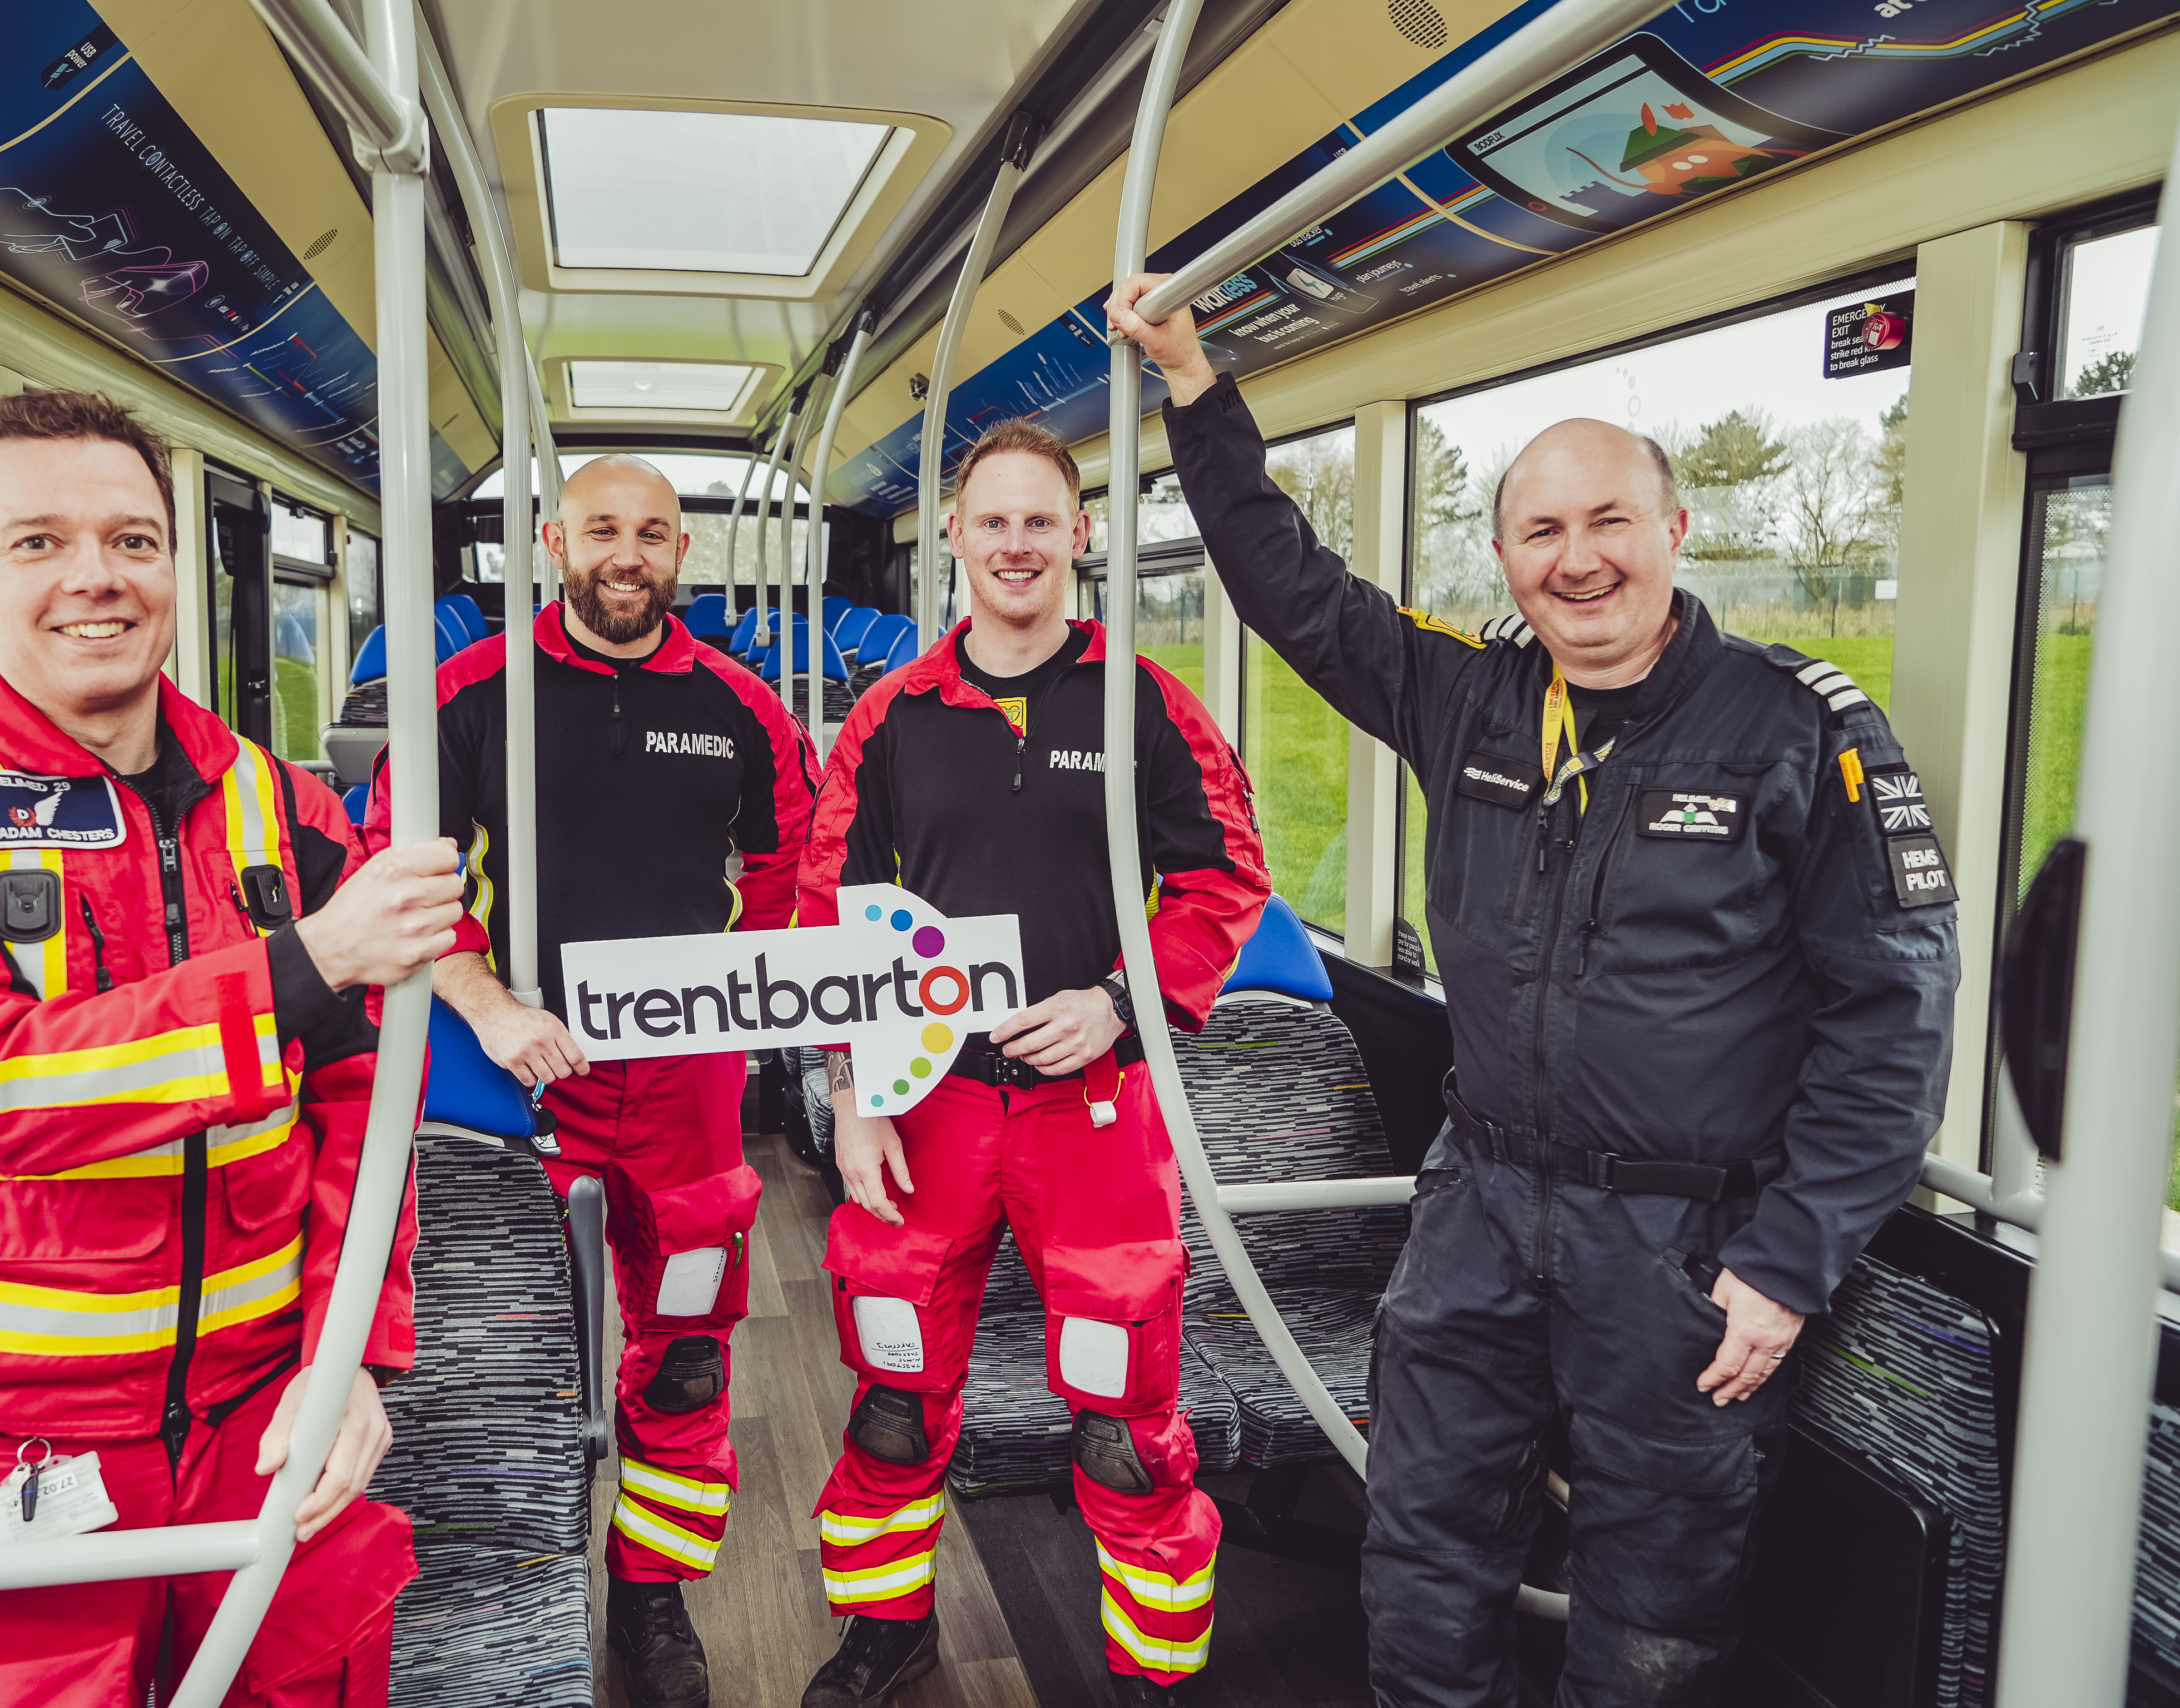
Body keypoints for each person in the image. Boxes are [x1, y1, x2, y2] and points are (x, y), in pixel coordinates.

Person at [1107, 275, 1962, 1706]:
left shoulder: (1797, 730)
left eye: (1610, 521)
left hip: (1690, 1245)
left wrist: (1791, 1258)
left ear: (1676, 533)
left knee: (1655, 1608)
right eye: (1542, 530)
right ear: (1504, 555)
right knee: (1423, 1547)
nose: (1580, 560)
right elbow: (1288, 587)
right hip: (1481, 1206)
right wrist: (1198, 387)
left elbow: (1896, 1014)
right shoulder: (1471, 698)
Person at [0, 389, 463, 1705]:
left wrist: (352, 1365)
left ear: (173, 566)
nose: (95, 578)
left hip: (270, 1423)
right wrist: (306, 963)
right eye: (39, 543)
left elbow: (363, 1127)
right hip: (13, 1457)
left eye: (134, 541)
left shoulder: (291, 810)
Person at [795, 419, 1270, 1708]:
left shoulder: (1145, 705)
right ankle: (885, 1629)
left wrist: (1123, 1002)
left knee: (1121, 1425)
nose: (1015, 544)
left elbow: (1228, 882)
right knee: (896, 1390)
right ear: (952, 536)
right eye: (990, 520)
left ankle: (1151, 1671)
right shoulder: (889, 718)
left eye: (1040, 522)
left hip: (1098, 1114)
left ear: (1081, 538)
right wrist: (852, 1096)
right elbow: (823, 913)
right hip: (928, 1109)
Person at [366, 454, 818, 1708]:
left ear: (686, 554)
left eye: (656, 535)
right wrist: (487, 1002)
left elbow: (787, 877)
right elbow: (400, 875)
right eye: (604, 530)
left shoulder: (742, 708)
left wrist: (737, 997)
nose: (629, 555)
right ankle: (505, 1567)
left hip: (686, 1088)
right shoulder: (468, 696)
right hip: (517, 1075)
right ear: (555, 541)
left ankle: (652, 1594)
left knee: (684, 1350)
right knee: (509, 1348)